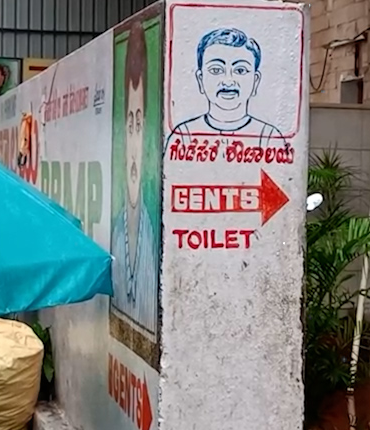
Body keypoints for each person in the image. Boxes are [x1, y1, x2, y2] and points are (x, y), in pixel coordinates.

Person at [112, 29, 159, 334]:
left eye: (140, 122)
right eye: (129, 122)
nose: (133, 136)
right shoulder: (116, 232)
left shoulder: (153, 235)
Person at [170, 27, 284, 139]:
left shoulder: (269, 137)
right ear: (200, 79)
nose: (228, 81)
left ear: (255, 80)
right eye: (216, 70)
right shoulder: (184, 136)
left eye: (240, 70)